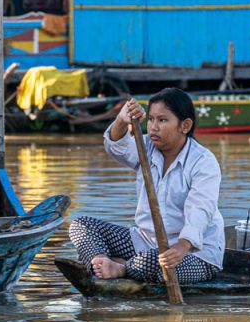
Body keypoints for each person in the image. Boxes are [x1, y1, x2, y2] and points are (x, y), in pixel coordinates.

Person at [67, 89, 224, 284]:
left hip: (194, 253)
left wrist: (182, 246)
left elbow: (200, 209)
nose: (153, 127)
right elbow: (116, 148)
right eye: (150, 119)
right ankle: (101, 262)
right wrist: (121, 120)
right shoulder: (145, 147)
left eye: (162, 120)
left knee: (156, 263)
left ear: (185, 125)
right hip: (144, 241)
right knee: (80, 226)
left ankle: (122, 267)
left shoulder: (203, 161)